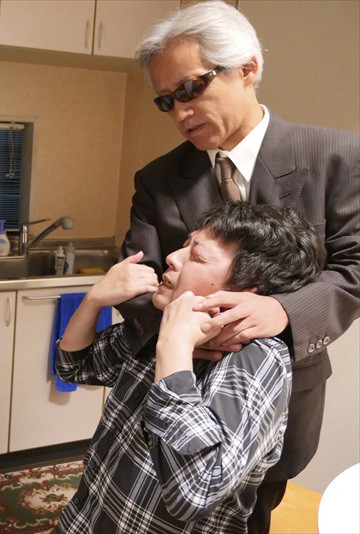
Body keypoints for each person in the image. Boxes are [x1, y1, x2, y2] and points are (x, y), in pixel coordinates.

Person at [117, 2, 360, 530]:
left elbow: (355, 267)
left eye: (190, 89)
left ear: (247, 68)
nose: (179, 113)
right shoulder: (157, 180)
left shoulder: (338, 157)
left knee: (254, 513)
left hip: (286, 393)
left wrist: (283, 312)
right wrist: (181, 334)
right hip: (178, 390)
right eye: (166, 101)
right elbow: (137, 279)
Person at [54, 202, 326, 533]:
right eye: (185, 245)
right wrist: (93, 299)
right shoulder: (162, 323)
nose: (172, 257)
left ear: (246, 290)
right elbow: (74, 367)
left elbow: (193, 493)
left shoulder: (255, 359)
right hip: (85, 520)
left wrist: (175, 347)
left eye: (196, 256)